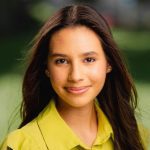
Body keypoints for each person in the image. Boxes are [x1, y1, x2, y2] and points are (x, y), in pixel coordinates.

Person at [0, 4, 145, 150]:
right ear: (47, 68)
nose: (75, 76)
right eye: (61, 61)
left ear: (109, 63)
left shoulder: (136, 137)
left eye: (89, 59)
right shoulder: (19, 145)